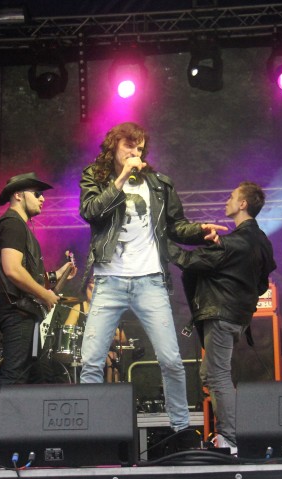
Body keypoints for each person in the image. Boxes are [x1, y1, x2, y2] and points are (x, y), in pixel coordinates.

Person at [77, 122, 226, 434]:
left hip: (150, 282)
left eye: (140, 148)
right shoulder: (95, 177)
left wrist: (199, 232)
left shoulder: (159, 184)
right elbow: (91, 212)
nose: (135, 153)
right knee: (91, 362)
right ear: (114, 146)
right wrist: (120, 179)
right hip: (108, 281)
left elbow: (176, 226)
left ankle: (181, 431)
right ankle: (90, 435)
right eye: (129, 146)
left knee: (171, 360)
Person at [171, 182, 276, 453]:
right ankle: (230, 434)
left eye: (231, 197)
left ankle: (229, 439)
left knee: (217, 376)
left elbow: (189, 260)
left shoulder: (234, 242)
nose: (226, 200)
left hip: (221, 315)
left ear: (243, 204)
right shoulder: (261, 241)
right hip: (237, 317)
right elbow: (261, 284)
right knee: (210, 373)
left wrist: (158, 244)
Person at [0, 172, 77, 464]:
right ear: (18, 194)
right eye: (37, 193)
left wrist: (58, 276)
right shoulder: (12, 223)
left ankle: (40, 446)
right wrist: (45, 295)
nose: (43, 199)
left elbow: (31, 278)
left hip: (24, 312)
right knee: (13, 377)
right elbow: (12, 269)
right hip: (16, 313)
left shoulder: (20, 228)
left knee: (40, 377)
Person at [64, 277, 128, 383]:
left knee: (111, 357)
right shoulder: (78, 308)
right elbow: (66, 332)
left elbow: (123, 338)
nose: (93, 288)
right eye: (90, 284)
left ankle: (110, 390)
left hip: (102, 352)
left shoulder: (107, 311)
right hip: (82, 352)